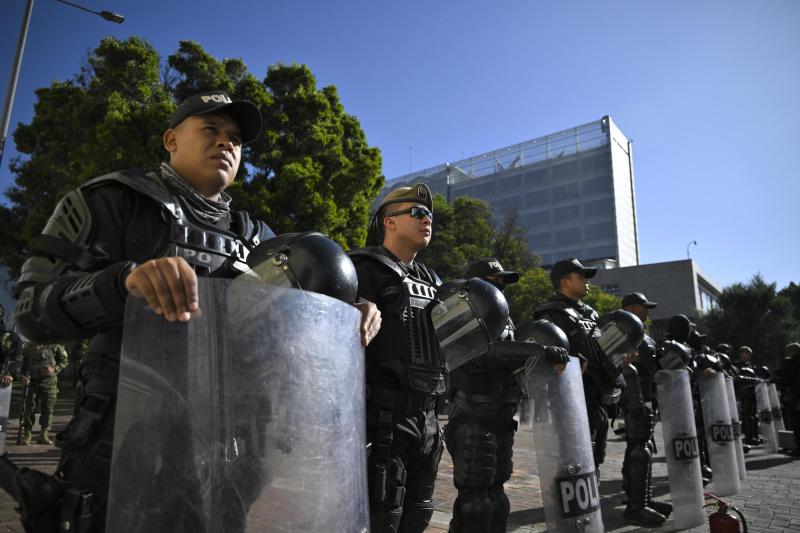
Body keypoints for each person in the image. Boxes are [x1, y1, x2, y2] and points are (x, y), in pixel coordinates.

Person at [12, 90, 380, 532]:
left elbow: (285, 345)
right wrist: (121, 284)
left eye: (235, 139)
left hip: (231, 463)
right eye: (211, 129)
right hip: (123, 451)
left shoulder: (262, 240)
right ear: (171, 138)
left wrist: (340, 318)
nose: (226, 143)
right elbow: (29, 311)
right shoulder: (113, 201)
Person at [444, 258, 569, 533]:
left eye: (502, 282)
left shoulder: (503, 318)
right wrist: (537, 351)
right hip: (473, 416)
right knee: (475, 502)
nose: (500, 287)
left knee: (497, 498)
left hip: (500, 415)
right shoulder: (463, 313)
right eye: (494, 281)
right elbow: (485, 353)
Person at [348, 183, 443, 533]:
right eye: (417, 213)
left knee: (418, 517)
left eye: (429, 215)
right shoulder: (360, 267)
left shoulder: (433, 280)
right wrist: (353, 305)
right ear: (389, 221)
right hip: (383, 419)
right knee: (379, 521)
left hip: (429, 419)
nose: (427, 220)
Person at [534, 258, 619, 470]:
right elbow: (544, 359)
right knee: (574, 463)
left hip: (598, 400)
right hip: (571, 402)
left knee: (595, 461)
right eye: (581, 276)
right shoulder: (550, 314)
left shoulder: (591, 313)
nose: (586, 281)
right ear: (565, 282)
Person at [619, 292, 671, 525]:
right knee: (639, 450)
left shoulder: (644, 336)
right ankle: (636, 507)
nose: (647, 311)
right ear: (631, 308)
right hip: (634, 398)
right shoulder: (621, 332)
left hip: (648, 396)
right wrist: (634, 401)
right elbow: (621, 367)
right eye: (643, 307)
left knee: (643, 448)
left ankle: (643, 499)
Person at [19, 342, 69, 445]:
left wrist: (54, 368)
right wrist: (23, 376)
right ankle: (27, 435)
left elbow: (64, 361)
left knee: (48, 409)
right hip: (32, 382)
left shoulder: (56, 345)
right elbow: (22, 363)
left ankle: (43, 435)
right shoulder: (30, 345)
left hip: (50, 383)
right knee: (29, 408)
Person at [775, 343, 800, 457]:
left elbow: (786, 376)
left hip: (796, 396)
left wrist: (776, 379)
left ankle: (798, 448)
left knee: (796, 422)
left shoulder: (794, 361)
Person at [733, 345, 759, 445]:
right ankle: (749, 438)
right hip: (743, 393)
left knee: (753, 415)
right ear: (741, 353)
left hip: (752, 392)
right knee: (747, 415)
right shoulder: (737, 365)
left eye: (749, 353)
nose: (748, 355)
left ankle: (754, 436)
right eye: (746, 352)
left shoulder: (750, 365)